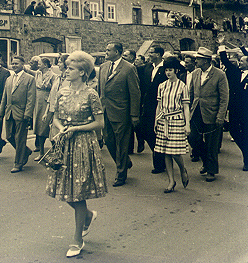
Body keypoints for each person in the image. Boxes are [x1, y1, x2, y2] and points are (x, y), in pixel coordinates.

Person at [46, 51, 107, 258]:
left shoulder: (91, 94)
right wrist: (61, 127)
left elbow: (100, 123)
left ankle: (77, 239)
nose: (66, 71)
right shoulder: (62, 92)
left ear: (82, 72)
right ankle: (88, 216)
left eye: (71, 68)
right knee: (64, 190)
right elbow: (54, 117)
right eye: (66, 67)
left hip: (83, 145)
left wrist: (77, 129)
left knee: (78, 193)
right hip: (65, 144)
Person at [98, 42, 140, 186]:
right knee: (108, 139)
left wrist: (134, 114)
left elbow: (135, 93)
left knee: (122, 143)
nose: (106, 52)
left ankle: (121, 174)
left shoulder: (129, 69)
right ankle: (125, 161)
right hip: (105, 110)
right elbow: (100, 92)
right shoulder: (103, 67)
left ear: (117, 52)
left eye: (108, 50)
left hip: (121, 112)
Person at [188, 47, 229, 182]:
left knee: (212, 143)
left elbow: (224, 97)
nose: (196, 61)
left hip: (212, 113)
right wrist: (188, 112)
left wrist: (220, 116)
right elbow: (192, 93)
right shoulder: (195, 73)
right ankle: (205, 161)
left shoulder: (219, 74)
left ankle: (211, 170)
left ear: (205, 60)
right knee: (193, 138)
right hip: (196, 112)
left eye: (198, 59)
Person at [154, 56, 190, 193]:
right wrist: (156, 121)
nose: (168, 73)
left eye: (170, 70)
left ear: (176, 70)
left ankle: (182, 169)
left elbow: (186, 106)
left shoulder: (182, 86)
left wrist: (187, 125)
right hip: (163, 120)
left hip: (177, 120)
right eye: (166, 70)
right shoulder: (162, 86)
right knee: (165, 152)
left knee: (175, 152)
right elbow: (159, 105)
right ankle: (171, 181)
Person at [0, 56, 36, 173]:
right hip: (9, 111)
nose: (14, 66)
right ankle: (25, 151)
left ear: (23, 64)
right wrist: (1, 112)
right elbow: (5, 96)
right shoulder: (9, 79)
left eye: (16, 64)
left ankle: (18, 163)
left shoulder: (29, 79)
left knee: (20, 138)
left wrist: (28, 113)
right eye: (12, 64)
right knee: (9, 136)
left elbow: (31, 98)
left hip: (22, 112)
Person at [218, 38, 248, 170]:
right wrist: (221, 46)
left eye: (242, 61)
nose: (239, 63)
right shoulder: (236, 73)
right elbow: (225, 61)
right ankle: (246, 152)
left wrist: (242, 49)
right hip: (235, 109)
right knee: (234, 131)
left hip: (246, 110)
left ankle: (246, 160)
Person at [140, 46, 167, 174]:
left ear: (159, 54)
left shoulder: (165, 68)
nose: (149, 55)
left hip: (161, 105)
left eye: (151, 52)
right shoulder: (147, 67)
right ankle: (159, 155)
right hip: (148, 106)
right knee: (146, 132)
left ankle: (159, 163)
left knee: (158, 133)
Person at [33, 57, 56, 161]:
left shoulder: (53, 76)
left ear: (45, 65)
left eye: (39, 63)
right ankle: (41, 151)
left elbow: (54, 90)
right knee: (38, 127)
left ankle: (55, 150)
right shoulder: (38, 73)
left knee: (47, 127)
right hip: (38, 102)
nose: (38, 65)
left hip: (47, 102)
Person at [43, 54, 70, 143]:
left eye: (60, 62)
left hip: (66, 113)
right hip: (55, 112)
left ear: (66, 63)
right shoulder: (57, 78)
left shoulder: (71, 79)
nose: (58, 64)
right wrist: (46, 112)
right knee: (53, 137)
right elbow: (51, 96)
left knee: (63, 138)